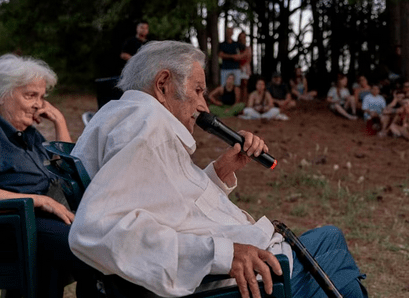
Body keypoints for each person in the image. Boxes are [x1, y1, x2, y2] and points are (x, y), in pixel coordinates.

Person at [69, 41, 367, 298]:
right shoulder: (146, 126)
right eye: (198, 91)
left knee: (330, 238)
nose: (204, 106)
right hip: (221, 281)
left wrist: (221, 171)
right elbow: (99, 228)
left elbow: (170, 203)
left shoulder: (130, 117)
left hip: (236, 257)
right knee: (339, 266)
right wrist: (224, 254)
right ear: (163, 85)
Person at [0, 54, 100, 298]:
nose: (38, 104)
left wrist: (59, 120)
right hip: (13, 227)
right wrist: (40, 200)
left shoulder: (29, 134)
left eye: (42, 97)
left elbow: (66, 170)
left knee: (101, 240)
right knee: (94, 251)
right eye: (30, 95)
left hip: (43, 223)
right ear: (3, 95)